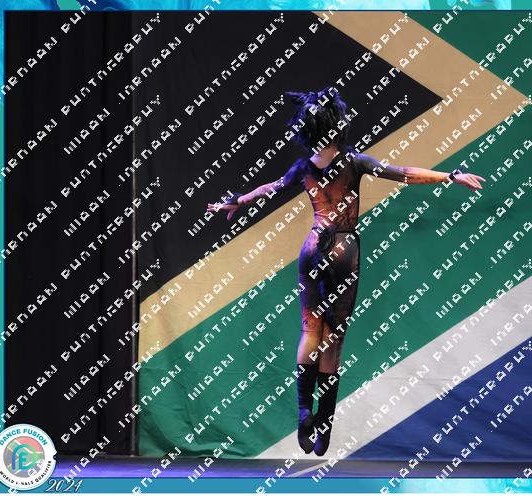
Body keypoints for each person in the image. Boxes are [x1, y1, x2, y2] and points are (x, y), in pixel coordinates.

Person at [207, 87, 485, 456]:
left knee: (310, 330)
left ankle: (304, 410)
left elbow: (269, 188)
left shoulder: (303, 168)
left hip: (312, 247)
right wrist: (450, 175)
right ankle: (324, 420)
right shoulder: (355, 162)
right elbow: (404, 174)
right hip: (344, 250)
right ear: (337, 124)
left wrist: (236, 202)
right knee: (333, 337)